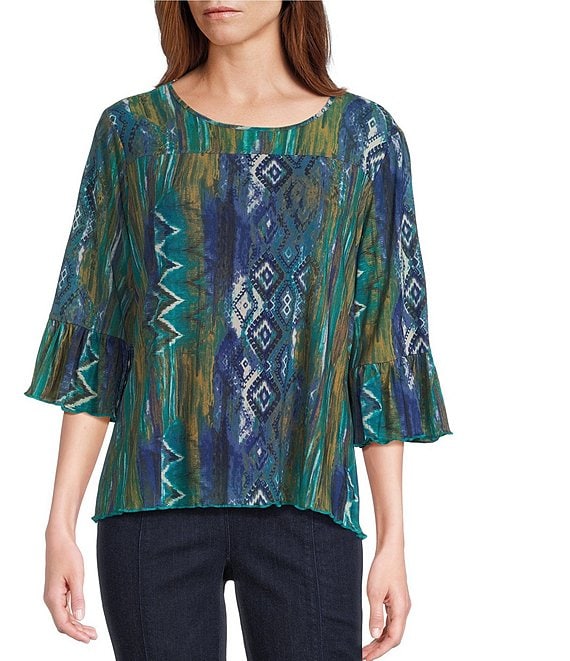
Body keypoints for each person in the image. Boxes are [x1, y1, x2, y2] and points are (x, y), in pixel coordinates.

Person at [23, 1, 452, 660]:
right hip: (152, 504)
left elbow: (382, 343)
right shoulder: (135, 133)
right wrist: (59, 523)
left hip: (308, 503)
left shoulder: (363, 139)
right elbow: (99, 328)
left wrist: (393, 537)